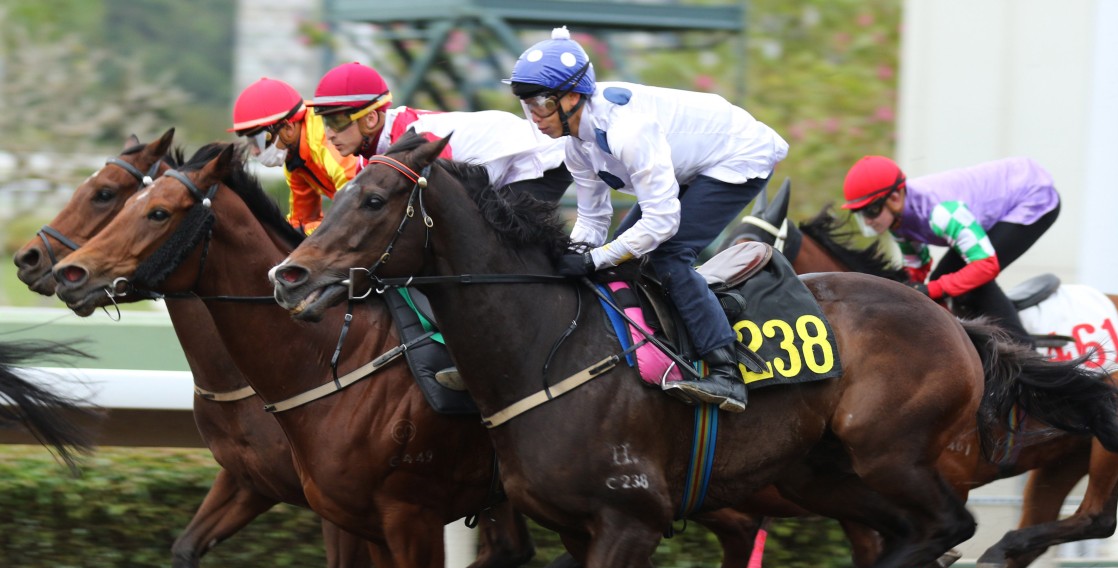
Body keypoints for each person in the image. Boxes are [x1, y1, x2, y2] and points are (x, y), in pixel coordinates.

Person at [507, 27, 789, 413]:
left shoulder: (628, 132)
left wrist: (594, 258)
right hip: (691, 162)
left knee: (667, 255)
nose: (533, 115)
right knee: (623, 260)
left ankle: (727, 374)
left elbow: (661, 225)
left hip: (738, 155)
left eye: (540, 102)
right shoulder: (576, 145)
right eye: (526, 102)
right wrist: (574, 257)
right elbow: (592, 218)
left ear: (573, 96)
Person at [841, 155, 1061, 341]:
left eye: (870, 210)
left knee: (970, 283)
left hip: (1031, 197)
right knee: (944, 281)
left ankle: (1026, 358)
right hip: (998, 201)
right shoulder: (896, 222)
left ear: (895, 198)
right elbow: (916, 268)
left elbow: (986, 265)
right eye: (860, 213)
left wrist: (932, 289)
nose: (867, 220)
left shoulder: (942, 213)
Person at [306, 61, 571, 204]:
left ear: (372, 118)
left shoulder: (415, 138)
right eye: (325, 123)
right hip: (490, 174)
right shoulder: (368, 159)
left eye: (337, 122)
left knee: (501, 244)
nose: (329, 135)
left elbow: (449, 201)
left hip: (538, 160)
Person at [229, 77, 359, 233]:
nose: (255, 151)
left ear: (289, 128)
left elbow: (355, 208)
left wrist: (302, 231)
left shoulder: (324, 139)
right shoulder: (294, 161)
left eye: (260, 140)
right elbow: (302, 219)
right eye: (252, 142)